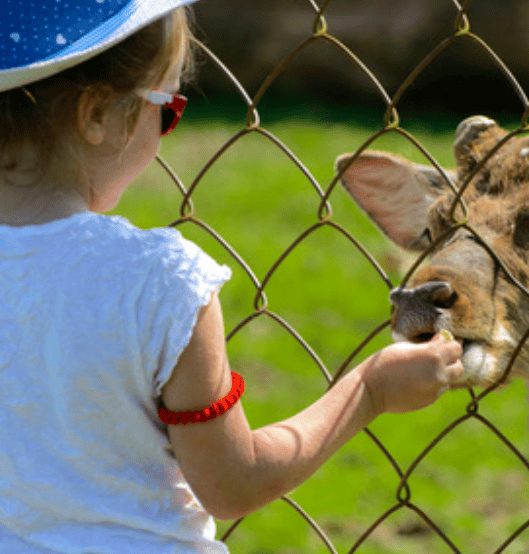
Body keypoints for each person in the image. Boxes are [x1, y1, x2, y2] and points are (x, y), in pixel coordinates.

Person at [0, 1, 463, 552]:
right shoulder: (156, 283)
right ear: (97, 115)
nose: (169, 130)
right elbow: (231, 483)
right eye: (167, 109)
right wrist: (369, 389)